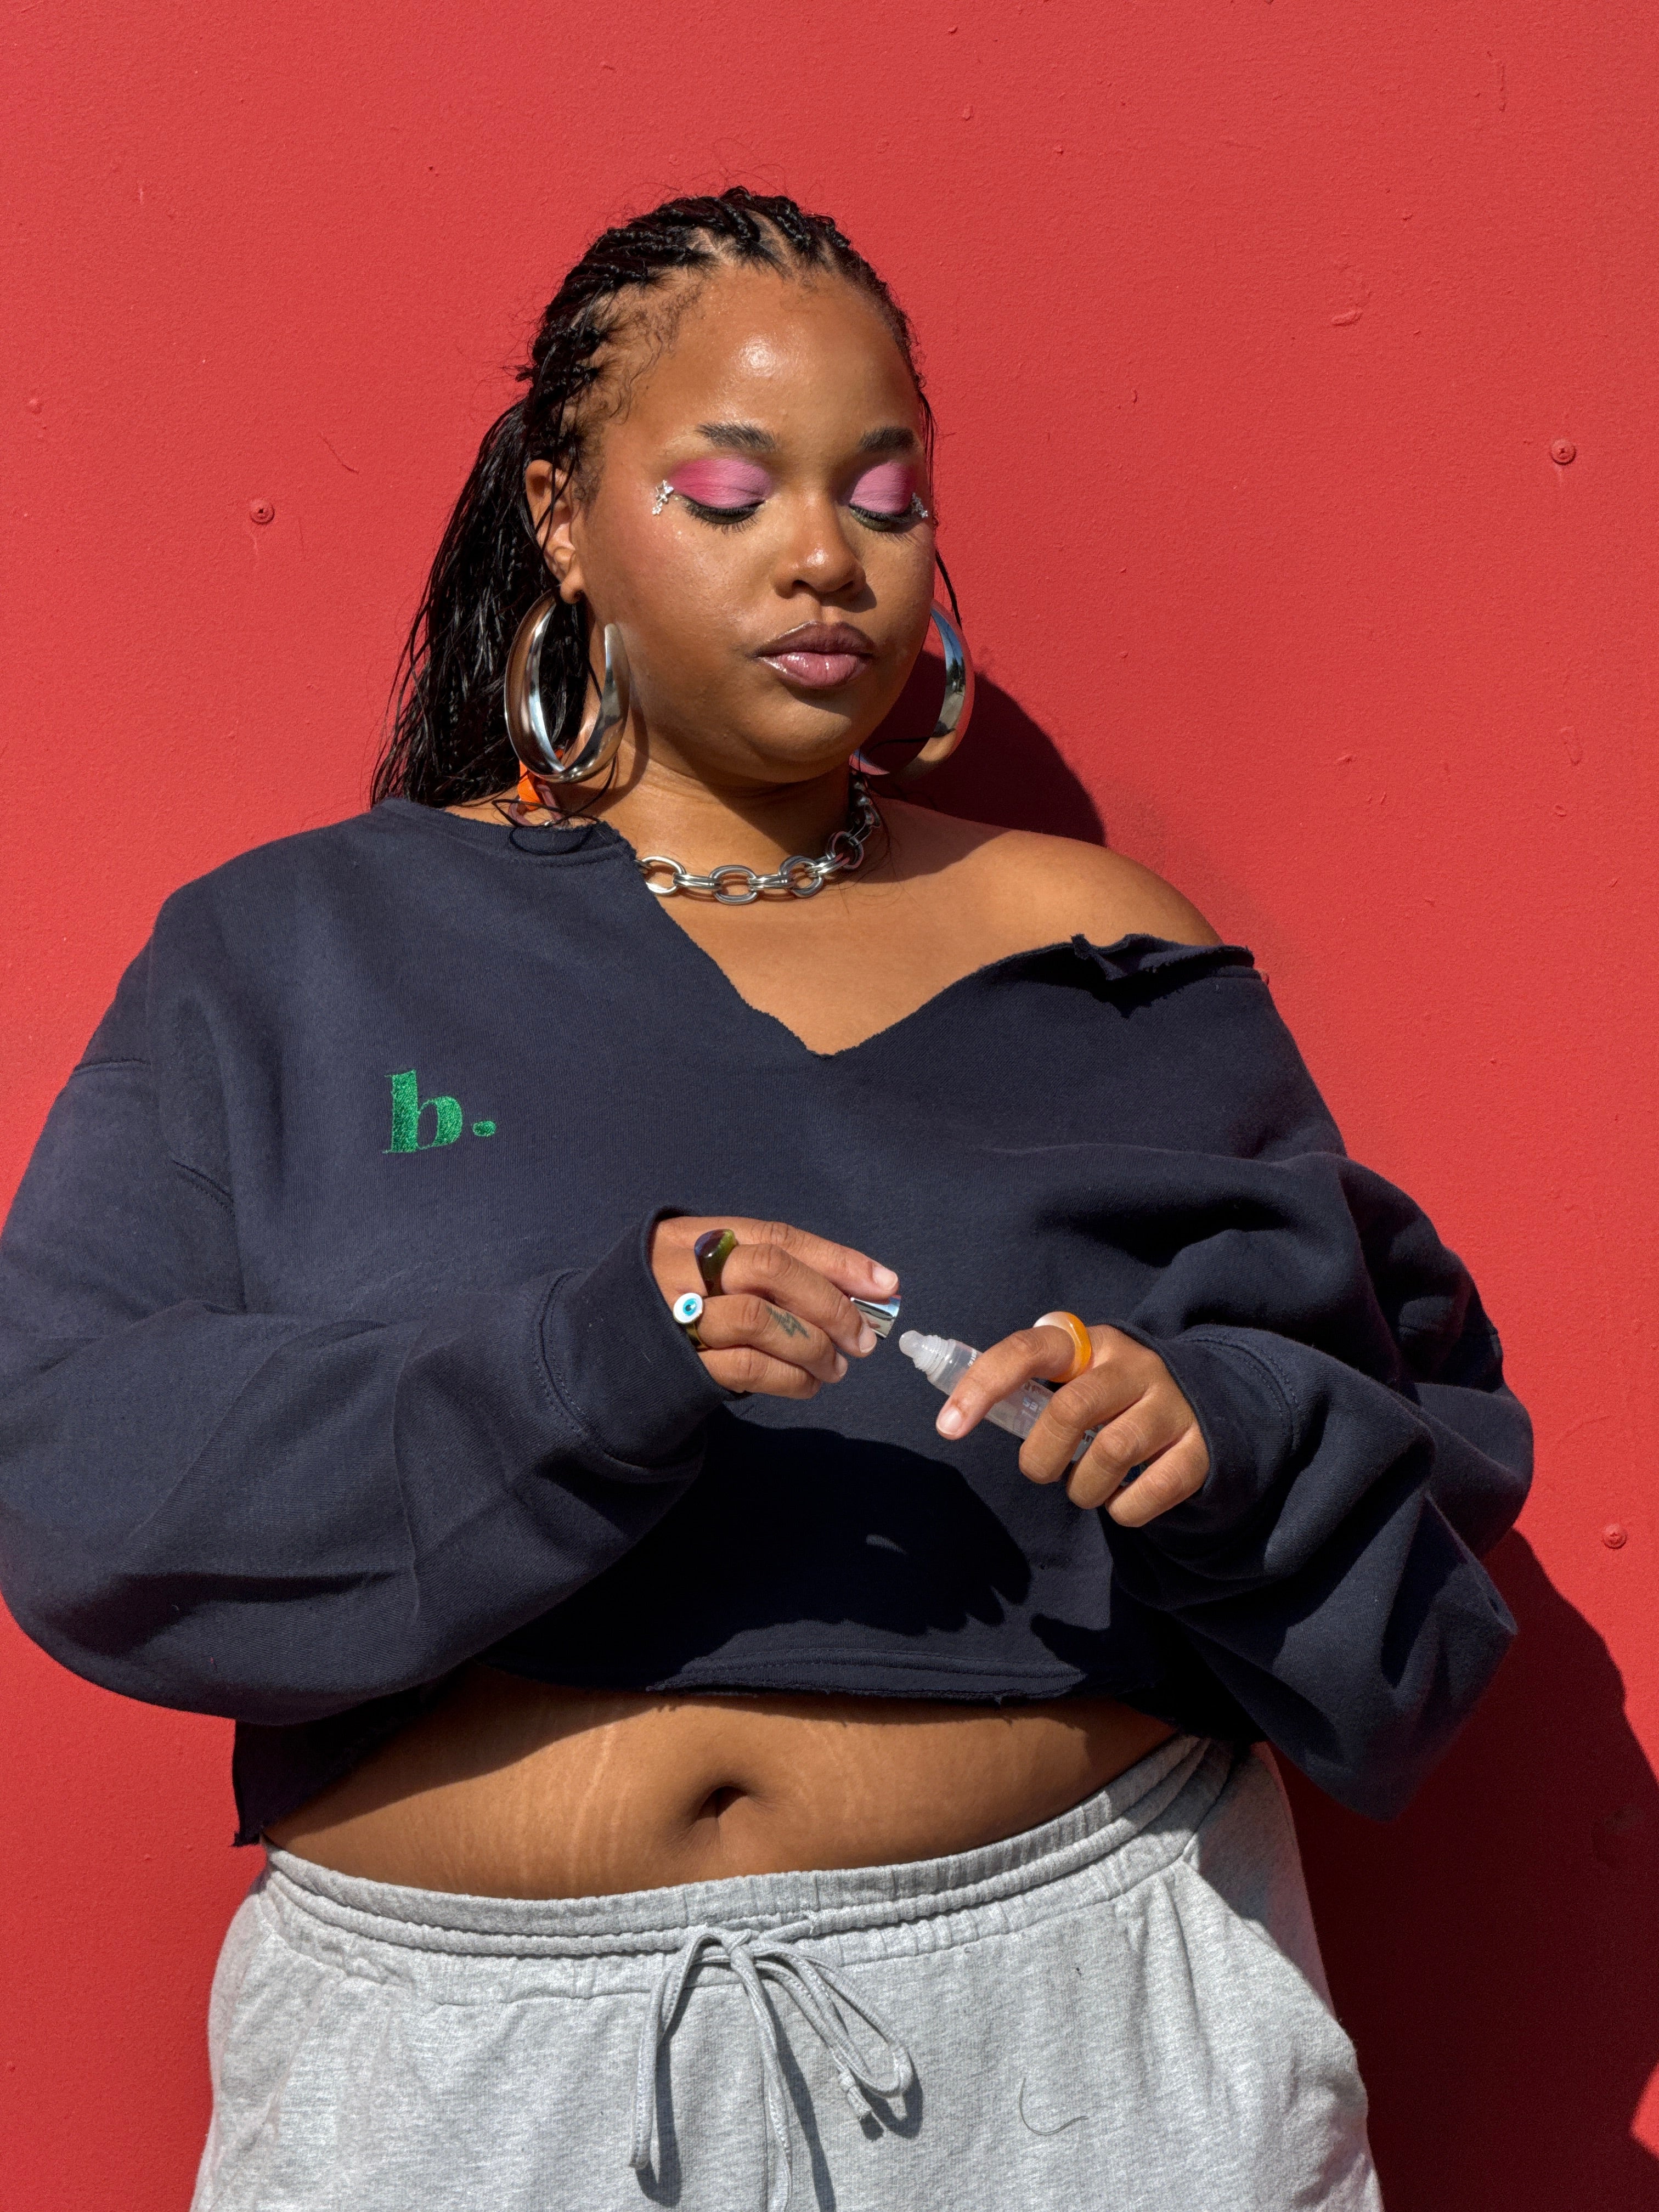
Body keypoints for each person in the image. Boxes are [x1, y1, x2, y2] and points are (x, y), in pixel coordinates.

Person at [0, 189, 1531, 2212]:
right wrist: (585, 1363)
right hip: (468, 2083)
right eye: (730, 492)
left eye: (885, 498)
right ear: (562, 519)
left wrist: (1209, 1432)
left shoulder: (1105, 950)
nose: (826, 556)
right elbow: (82, 1471)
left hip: (1074, 2044)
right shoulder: (298, 958)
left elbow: (1411, 1449)